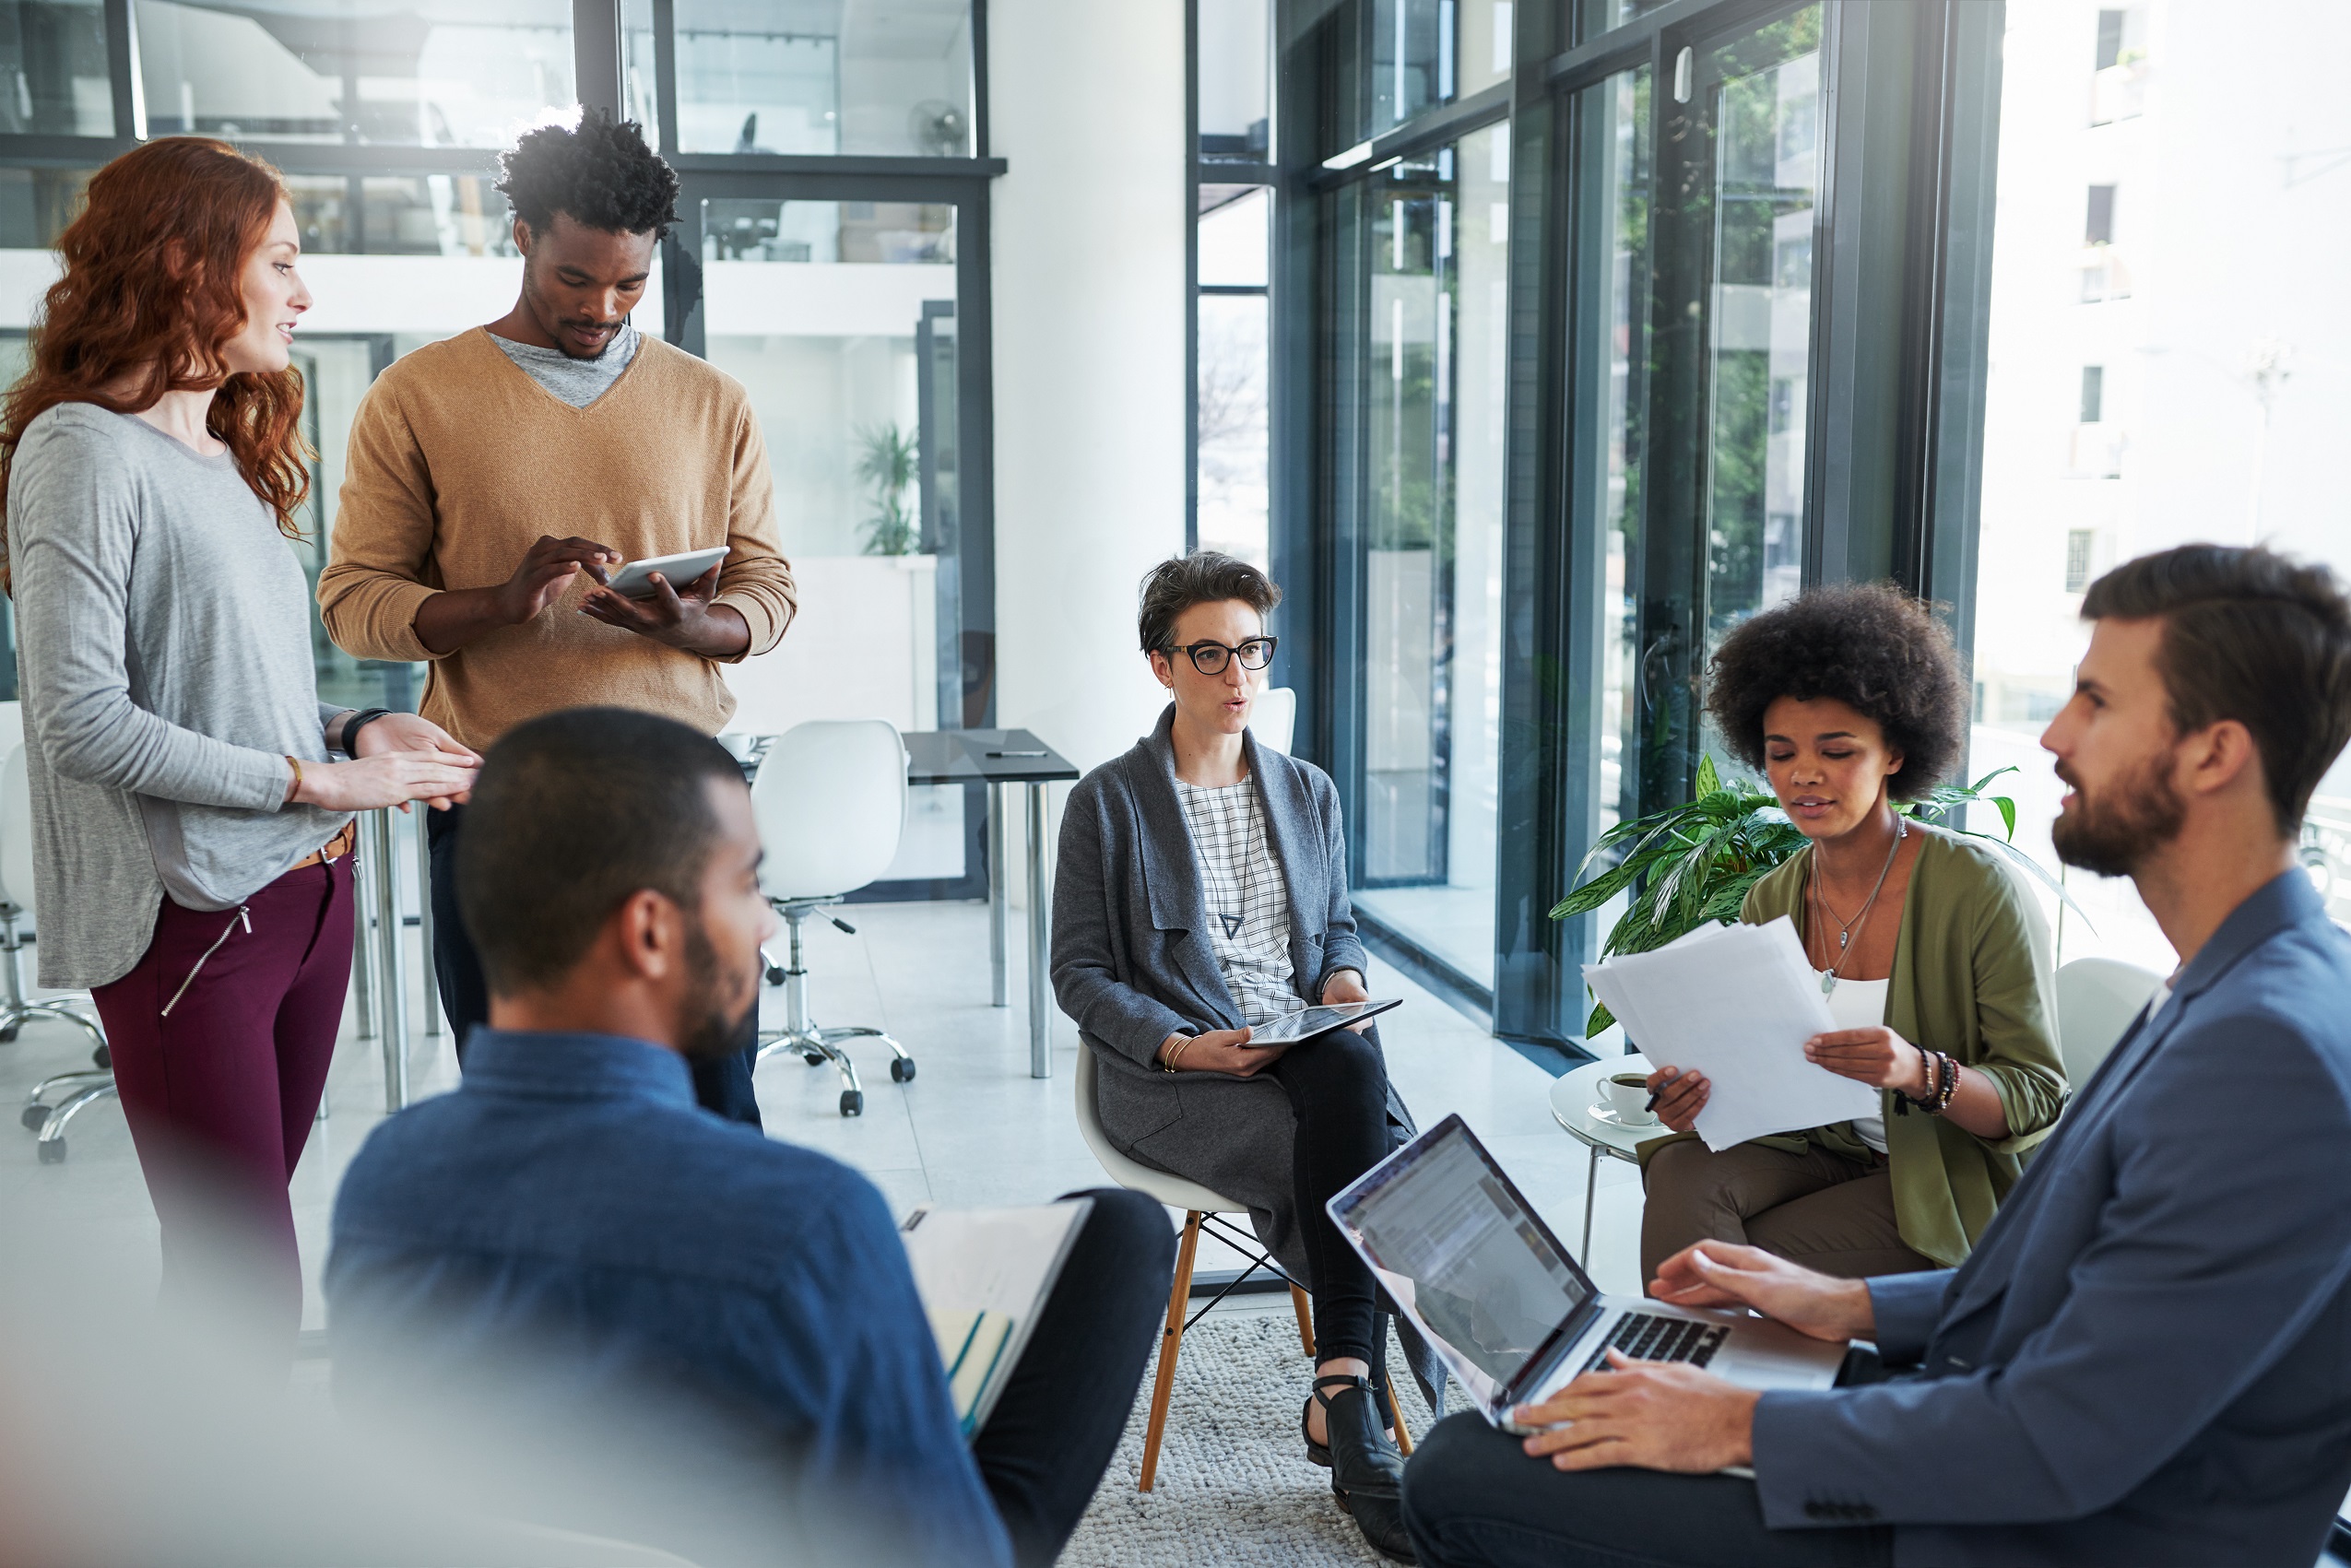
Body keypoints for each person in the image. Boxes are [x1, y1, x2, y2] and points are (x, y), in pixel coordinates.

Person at [1400, 544, 2351, 1568]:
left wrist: (1730, 1428)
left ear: (2215, 753)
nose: (2053, 733)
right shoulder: (2245, 981)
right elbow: (2084, 1300)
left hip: (2036, 1523)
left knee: (1462, 1470)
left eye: (2095, 701)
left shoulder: (2269, 1052)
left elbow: (2068, 1439)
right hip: (1979, 1412)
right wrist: (1845, 1304)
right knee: (1570, 1404)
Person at [326, 708, 1172, 1568]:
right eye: (745, 884)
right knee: (1122, 1232)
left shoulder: (384, 1181)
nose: (768, 924)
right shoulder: (805, 1221)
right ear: (651, 929)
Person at [0, 139, 478, 1330]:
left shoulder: (217, 454)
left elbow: (234, 692)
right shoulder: (77, 453)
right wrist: (313, 781)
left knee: (243, 1264)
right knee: (243, 1282)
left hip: (310, 899)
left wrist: (362, 729)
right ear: (184, 263)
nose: (304, 294)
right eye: (281, 260)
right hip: (196, 917)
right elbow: (81, 721)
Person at [315, 111, 795, 1126]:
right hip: (501, 802)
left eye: (629, 282)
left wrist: (693, 630)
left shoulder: (713, 402)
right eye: (578, 278)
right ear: (524, 234)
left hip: (683, 798)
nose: (603, 306)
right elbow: (354, 603)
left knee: (714, 1104)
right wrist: (498, 602)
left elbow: (769, 588)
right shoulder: (418, 397)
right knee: (525, 1113)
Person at [1053, 550, 1425, 1564]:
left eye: (1252, 650)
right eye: (1209, 653)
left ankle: (1341, 1386)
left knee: (1348, 1069)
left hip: (1303, 1044)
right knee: (1392, 1150)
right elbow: (1081, 976)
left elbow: (1336, 930)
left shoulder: (1307, 790)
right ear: (1161, 666)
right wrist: (1182, 1046)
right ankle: (1396, 1383)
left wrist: (1342, 983)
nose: (1236, 676)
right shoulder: (1107, 804)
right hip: (1176, 1074)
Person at [1636, 584, 2066, 1281]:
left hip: (1944, 1176)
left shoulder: (1978, 890)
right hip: (1820, 1150)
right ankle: (1695, 1373)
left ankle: (1690, 1375)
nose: (1803, 774)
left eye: (1836, 750)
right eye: (1781, 753)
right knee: (1683, 1169)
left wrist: (1919, 1071)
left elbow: (2037, 1094)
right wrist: (1696, 1099)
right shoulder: (1776, 896)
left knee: (1725, 1254)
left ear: (1895, 751)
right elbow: (1762, 1074)